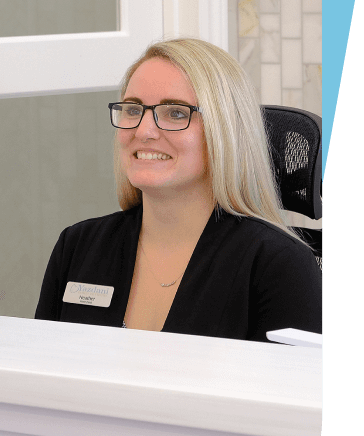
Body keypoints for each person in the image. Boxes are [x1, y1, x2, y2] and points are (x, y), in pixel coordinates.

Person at [35, 37, 322, 342]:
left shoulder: (280, 266)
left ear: (224, 132)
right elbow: (38, 376)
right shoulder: (78, 246)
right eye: (133, 110)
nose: (143, 131)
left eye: (175, 113)